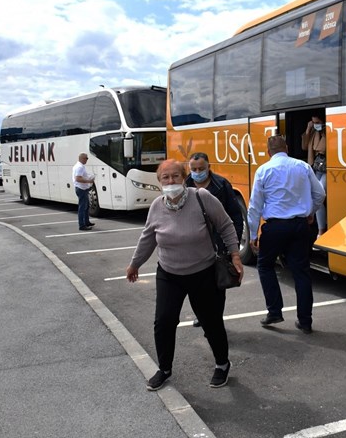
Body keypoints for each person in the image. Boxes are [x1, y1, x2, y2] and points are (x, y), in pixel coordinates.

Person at [126, 159, 244, 391]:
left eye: (175, 177)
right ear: (159, 182)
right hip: (169, 274)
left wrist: (236, 255)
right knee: (164, 321)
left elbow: (226, 226)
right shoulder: (157, 206)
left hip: (204, 272)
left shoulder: (202, 198)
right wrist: (135, 264)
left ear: (184, 178)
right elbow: (148, 237)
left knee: (211, 322)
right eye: (165, 178)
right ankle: (164, 369)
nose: (171, 182)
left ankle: (222, 364)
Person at [247, 135, 325, 334]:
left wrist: (253, 233)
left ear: (268, 152)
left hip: (274, 227)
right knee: (301, 272)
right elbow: (320, 194)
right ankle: (305, 321)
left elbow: (255, 205)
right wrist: (310, 213)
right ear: (287, 148)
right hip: (299, 226)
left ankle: (274, 311)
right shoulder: (303, 166)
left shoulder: (263, 170)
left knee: (264, 265)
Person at [186, 152, 244, 328]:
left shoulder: (221, 185)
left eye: (201, 169)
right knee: (196, 286)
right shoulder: (184, 184)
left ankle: (215, 320)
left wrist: (234, 241)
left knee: (218, 285)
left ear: (209, 167)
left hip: (218, 245)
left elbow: (234, 214)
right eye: (194, 169)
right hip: (194, 246)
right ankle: (202, 315)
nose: (197, 172)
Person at [301, 113, 327, 238]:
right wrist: (308, 129)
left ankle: (321, 230)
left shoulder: (329, 132)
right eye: (313, 122)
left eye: (317, 122)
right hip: (317, 168)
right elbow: (304, 146)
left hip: (327, 169)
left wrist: (323, 131)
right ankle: (320, 228)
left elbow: (323, 147)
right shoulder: (313, 133)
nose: (315, 125)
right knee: (314, 195)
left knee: (320, 195)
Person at [72, 152, 95, 231]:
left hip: (82, 188)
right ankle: (82, 225)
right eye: (86, 158)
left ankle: (86, 221)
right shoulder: (80, 167)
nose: (87, 160)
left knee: (86, 206)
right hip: (81, 189)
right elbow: (78, 178)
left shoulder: (79, 166)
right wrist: (89, 181)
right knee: (82, 207)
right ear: (82, 158)